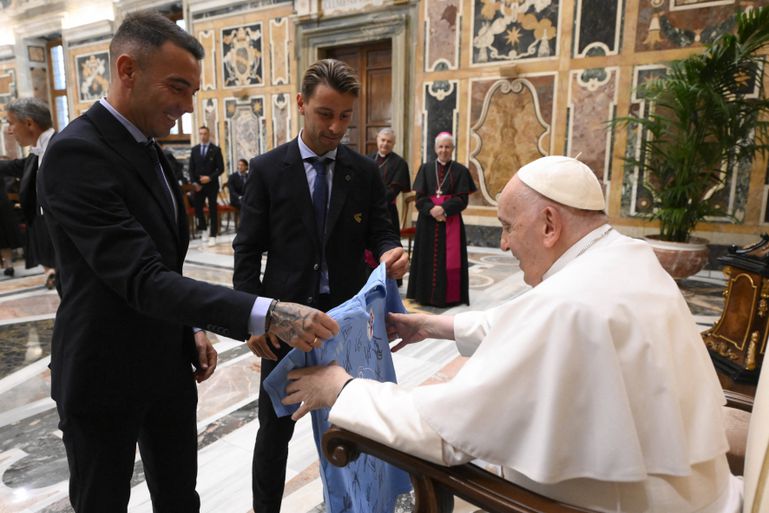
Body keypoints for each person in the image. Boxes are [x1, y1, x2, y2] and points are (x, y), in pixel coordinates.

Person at [282, 156, 742, 513]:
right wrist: (434, 325)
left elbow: (447, 433)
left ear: (548, 224)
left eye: (507, 226)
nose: (502, 243)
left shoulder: (567, 304)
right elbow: (531, 323)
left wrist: (341, 390)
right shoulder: (627, 257)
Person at [36, 12, 338, 513]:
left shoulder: (152, 150)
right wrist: (271, 312)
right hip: (102, 371)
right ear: (127, 68)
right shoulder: (76, 153)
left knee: (180, 497)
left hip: (167, 366)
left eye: (193, 91)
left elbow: (162, 262)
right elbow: (139, 277)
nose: (186, 105)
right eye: (177, 87)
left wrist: (193, 324)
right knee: (101, 501)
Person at [232, 58, 408, 513]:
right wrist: (252, 319)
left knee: (352, 422)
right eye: (324, 114)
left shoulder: (364, 172)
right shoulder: (269, 170)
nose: (335, 127)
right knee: (275, 430)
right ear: (301, 104)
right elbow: (247, 251)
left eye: (345, 116)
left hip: (345, 324)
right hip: (283, 325)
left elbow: (382, 231)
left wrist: (392, 251)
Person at [406, 132, 476, 307]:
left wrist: (443, 209)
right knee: (425, 258)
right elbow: (420, 199)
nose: (444, 150)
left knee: (448, 259)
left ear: (452, 148)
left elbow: (462, 200)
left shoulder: (461, 171)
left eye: (447, 147)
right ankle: (423, 295)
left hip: (450, 221)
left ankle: (449, 296)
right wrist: (432, 210)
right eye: (441, 146)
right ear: (435, 148)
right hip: (428, 223)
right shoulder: (425, 168)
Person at [0, 98, 58, 288]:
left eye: (11, 122)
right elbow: (17, 166)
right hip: (45, 231)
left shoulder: (62, 147)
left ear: (29, 123)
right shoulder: (36, 152)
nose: (9, 130)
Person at [367, 128, 410, 231]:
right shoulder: (367, 159)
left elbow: (393, 191)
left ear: (394, 143)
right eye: (383, 140)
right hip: (367, 209)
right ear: (377, 140)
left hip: (387, 211)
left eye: (389, 141)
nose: (385, 144)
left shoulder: (400, 163)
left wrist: (373, 201)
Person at [189, 125, 224, 245]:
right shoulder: (194, 150)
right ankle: (203, 229)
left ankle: (213, 234)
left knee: (212, 209)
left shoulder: (216, 149)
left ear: (209, 135)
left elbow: (221, 168)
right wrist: (194, 183)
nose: (203, 136)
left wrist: (209, 178)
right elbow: (191, 169)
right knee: (198, 208)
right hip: (198, 186)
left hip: (212, 185)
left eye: (205, 133)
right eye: (201, 134)